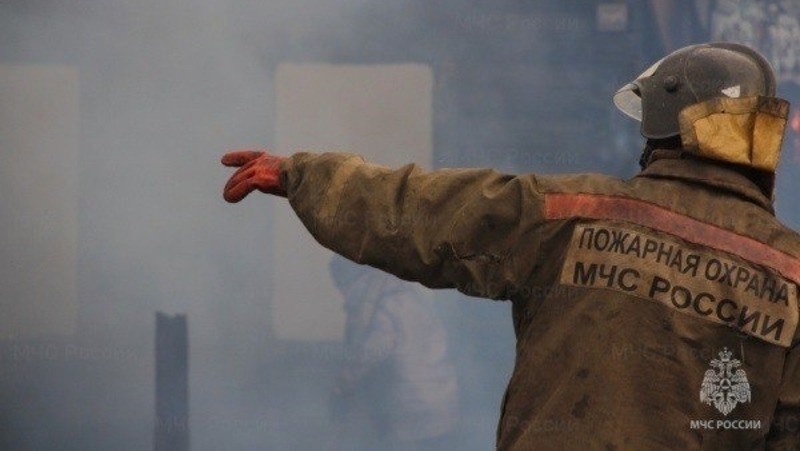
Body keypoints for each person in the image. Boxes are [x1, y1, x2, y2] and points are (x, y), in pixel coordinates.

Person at [222, 42, 799, 449]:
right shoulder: (791, 276)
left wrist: (301, 175)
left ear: (661, 129)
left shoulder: (571, 214)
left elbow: (428, 212)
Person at [327, 255, 458, 451]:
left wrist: (341, 387)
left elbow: (370, 353)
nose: (342, 293)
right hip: (442, 400)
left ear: (350, 279)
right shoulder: (410, 295)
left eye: (340, 285)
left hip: (412, 407)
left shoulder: (383, 306)